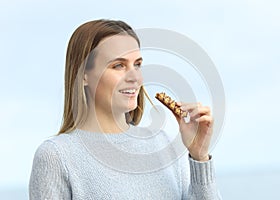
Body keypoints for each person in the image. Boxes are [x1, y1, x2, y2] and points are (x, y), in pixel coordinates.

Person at [29, 19, 222, 199]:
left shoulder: (163, 145)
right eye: (118, 65)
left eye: (137, 64)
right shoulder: (56, 156)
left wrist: (200, 157)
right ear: (83, 75)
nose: (135, 77)